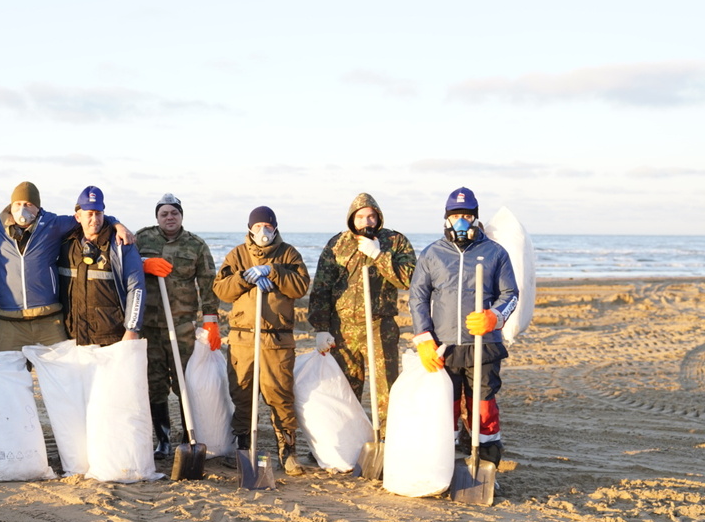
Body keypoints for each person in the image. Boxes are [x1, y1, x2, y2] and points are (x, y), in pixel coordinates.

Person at [0, 181, 132, 352]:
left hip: (49, 321)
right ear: (11, 205)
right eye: (18, 203)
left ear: (37, 207)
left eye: (28, 204)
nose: (22, 209)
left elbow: (89, 216)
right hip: (9, 322)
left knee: (60, 379)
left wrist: (116, 223)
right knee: (6, 380)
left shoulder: (53, 225)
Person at [409, 187, 518, 465]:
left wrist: (494, 317)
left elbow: (511, 294)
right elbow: (418, 297)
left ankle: (486, 463)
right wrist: (423, 338)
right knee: (446, 406)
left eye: (467, 216)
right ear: (446, 218)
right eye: (455, 215)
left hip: (484, 345)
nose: (461, 221)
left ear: (475, 218)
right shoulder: (432, 253)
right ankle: (444, 463)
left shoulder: (494, 252)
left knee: (482, 407)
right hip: (444, 345)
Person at [213, 207, 311, 475]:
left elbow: (300, 286)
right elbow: (221, 290)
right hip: (243, 338)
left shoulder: (289, 254)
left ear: (275, 227)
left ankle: (287, 451)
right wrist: (244, 278)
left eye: (267, 226)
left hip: (276, 339)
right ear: (249, 228)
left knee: (280, 395)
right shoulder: (237, 255)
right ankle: (244, 448)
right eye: (257, 226)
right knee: (242, 393)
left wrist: (273, 271)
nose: (263, 231)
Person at [307, 193, 415, 428]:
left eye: (371, 216)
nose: (366, 222)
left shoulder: (395, 241)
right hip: (344, 328)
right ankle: (349, 437)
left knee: (386, 387)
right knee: (344, 388)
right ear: (352, 219)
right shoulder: (338, 243)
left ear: (378, 217)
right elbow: (322, 287)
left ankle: (386, 437)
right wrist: (321, 328)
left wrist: (379, 255)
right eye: (360, 217)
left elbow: (408, 279)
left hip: (380, 325)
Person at [136, 193, 219, 459]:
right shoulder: (142, 239)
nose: (169, 217)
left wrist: (210, 321)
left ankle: (187, 436)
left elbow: (208, 283)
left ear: (181, 216)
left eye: (174, 213)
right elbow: (123, 264)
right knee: (154, 382)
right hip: (149, 326)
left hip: (182, 325)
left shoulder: (196, 245)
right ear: (157, 217)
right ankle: (162, 439)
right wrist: (143, 264)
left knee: (185, 380)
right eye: (164, 213)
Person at [57, 186, 145, 346]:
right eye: (89, 214)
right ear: (78, 217)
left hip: (112, 338)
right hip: (72, 336)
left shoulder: (121, 245)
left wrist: (132, 329)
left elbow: (136, 288)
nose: (95, 219)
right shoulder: (65, 244)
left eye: (98, 213)